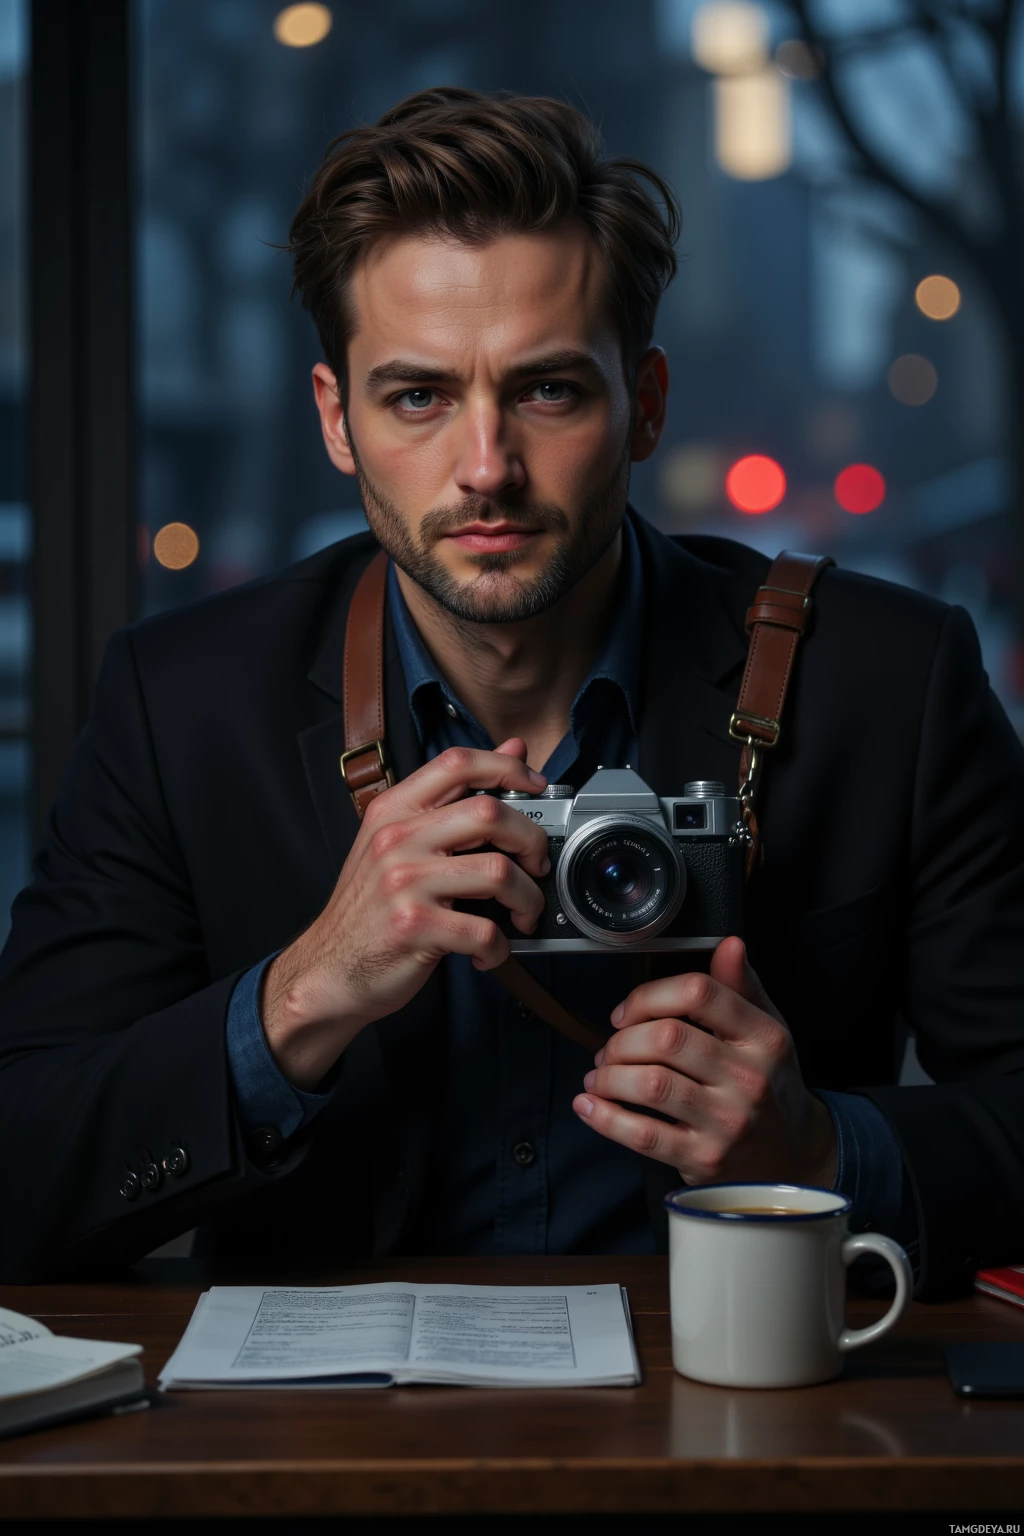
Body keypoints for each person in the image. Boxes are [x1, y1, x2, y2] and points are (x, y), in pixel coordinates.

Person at [1, 88, 1021, 1292]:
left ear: (643, 404)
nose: (484, 469)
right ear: (338, 420)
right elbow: (21, 1177)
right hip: (309, 1467)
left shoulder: (882, 684)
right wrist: (303, 992)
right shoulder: (185, 707)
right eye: (417, 397)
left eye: (547, 390)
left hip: (752, 1433)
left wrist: (818, 1146)